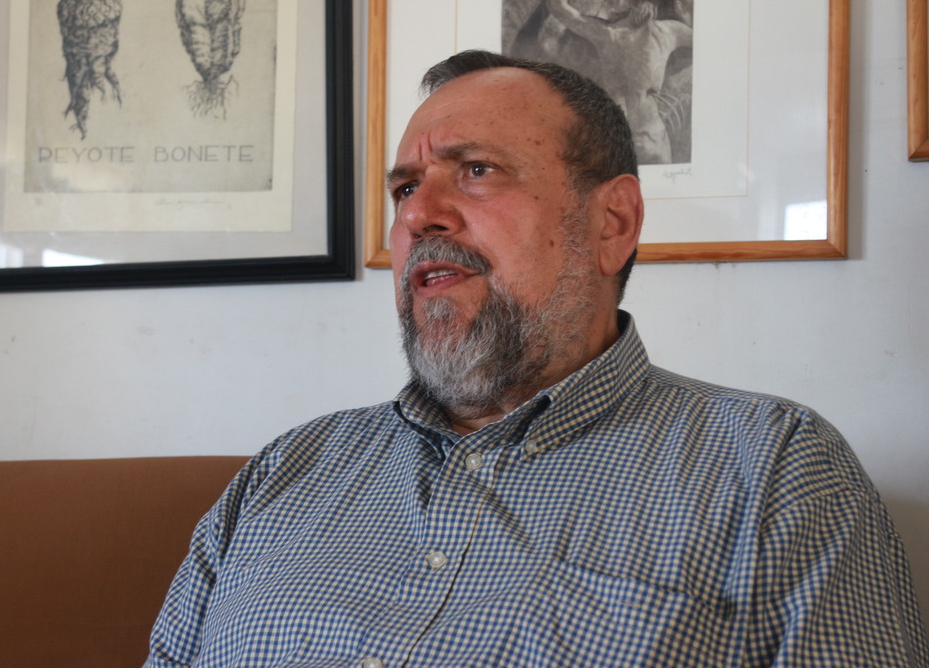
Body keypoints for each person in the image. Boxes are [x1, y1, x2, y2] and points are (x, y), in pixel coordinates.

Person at [145, 50, 929, 667]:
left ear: (612, 222)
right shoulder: (284, 473)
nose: (419, 215)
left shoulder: (777, 471)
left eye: (476, 170)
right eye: (405, 188)